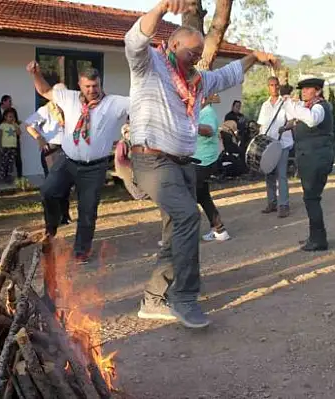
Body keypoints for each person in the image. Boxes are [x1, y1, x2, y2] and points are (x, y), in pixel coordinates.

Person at [125, 0, 279, 328]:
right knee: (188, 219)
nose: (195, 59)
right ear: (172, 45)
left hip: (183, 163)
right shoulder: (148, 64)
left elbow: (227, 75)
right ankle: (183, 298)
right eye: (190, 53)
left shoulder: (198, 81)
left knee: (176, 230)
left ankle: (153, 299)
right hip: (152, 160)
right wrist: (161, 8)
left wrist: (255, 57)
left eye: (199, 55)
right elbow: (134, 39)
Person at [27, 62, 129, 264]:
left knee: (88, 210)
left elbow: (143, 104)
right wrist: (36, 73)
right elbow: (45, 90)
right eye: (87, 86)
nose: (92, 90)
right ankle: (51, 229)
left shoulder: (114, 103)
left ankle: (81, 252)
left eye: (95, 86)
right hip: (67, 161)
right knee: (48, 190)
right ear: (80, 86)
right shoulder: (69, 97)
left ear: (100, 84)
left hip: (94, 167)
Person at [280, 78, 335, 252]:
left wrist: (291, 104)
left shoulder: (319, 107)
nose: (303, 92)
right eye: (302, 89)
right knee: (311, 198)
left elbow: (311, 120)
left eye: (307, 89)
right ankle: (315, 236)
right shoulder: (308, 107)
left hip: (316, 158)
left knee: (312, 198)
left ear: (317, 91)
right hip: (310, 157)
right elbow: (300, 119)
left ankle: (319, 240)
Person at [25, 84, 72, 224]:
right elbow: (28, 125)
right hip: (52, 150)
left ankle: (64, 216)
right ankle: (53, 217)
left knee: (66, 184)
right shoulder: (46, 110)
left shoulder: (70, 110)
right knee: (53, 184)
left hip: (68, 148)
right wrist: (39, 138)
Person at [194, 94, 230, 241]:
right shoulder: (198, 112)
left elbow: (209, 130)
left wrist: (188, 125)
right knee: (202, 196)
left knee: (188, 196)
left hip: (203, 161)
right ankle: (220, 230)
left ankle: (179, 236)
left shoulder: (208, 112)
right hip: (198, 160)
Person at [257, 76, 293, 218]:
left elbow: (291, 121)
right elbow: (262, 125)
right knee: (269, 175)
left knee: (282, 175)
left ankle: (283, 205)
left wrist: (284, 128)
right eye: (271, 85)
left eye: (276, 85)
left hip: (282, 144)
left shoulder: (286, 103)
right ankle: (272, 202)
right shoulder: (265, 105)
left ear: (279, 86)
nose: (274, 87)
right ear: (268, 87)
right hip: (268, 145)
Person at [0, 95, 23, 179]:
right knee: (4, 160)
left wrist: (15, 123)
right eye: (9, 101)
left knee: (16, 159)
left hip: (14, 141)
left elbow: (16, 122)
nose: (11, 103)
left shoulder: (13, 111)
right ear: (4, 102)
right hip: (4, 141)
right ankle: (4, 176)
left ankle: (20, 177)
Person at [0, 109, 21, 182]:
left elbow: (19, 133)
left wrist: (15, 124)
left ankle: (9, 176)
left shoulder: (15, 125)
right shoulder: (2, 125)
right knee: (4, 162)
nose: (11, 118)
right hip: (5, 147)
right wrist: (0, 146)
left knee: (11, 163)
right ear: (5, 117)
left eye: (12, 117)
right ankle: (3, 176)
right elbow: (0, 136)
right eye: (10, 116)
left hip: (13, 147)